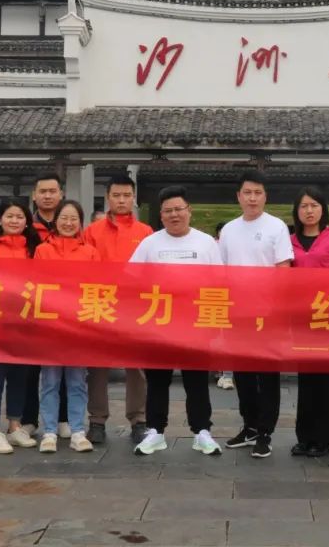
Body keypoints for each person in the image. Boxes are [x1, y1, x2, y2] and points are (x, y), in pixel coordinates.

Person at [131, 185, 223, 458]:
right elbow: (130, 278)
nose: (174, 215)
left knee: (197, 381)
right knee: (157, 380)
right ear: (161, 215)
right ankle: (155, 431)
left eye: (178, 209)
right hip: (158, 324)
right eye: (168, 211)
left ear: (189, 211)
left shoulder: (206, 243)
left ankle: (202, 431)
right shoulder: (150, 243)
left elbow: (219, 282)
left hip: (196, 324)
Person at [218, 170, 293, 459]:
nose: (252, 198)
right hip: (238, 313)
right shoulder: (229, 230)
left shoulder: (276, 227)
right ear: (239, 196)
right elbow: (222, 271)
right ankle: (249, 426)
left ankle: (265, 432)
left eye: (257, 193)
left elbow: (283, 269)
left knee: (267, 374)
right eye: (247, 193)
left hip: (267, 313)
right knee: (243, 374)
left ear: (265, 196)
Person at [81, 174, 151, 445]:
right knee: (97, 367)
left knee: (137, 367)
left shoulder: (145, 232)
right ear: (107, 198)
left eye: (127, 195)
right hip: (101, 304)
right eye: (116, 195)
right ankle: (97, 420)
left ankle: (139, 420)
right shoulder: (92, 232)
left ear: (134, 198)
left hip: (134, 307)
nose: (122, 200)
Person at [0, 198, 43, 454]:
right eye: (10, 216)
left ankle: (15, 425)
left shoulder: (35, 251)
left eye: (19, 217)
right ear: (0, 220)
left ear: (27, 222)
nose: (14, 220)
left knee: (19, 378)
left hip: (24, 324)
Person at [289, 186, 329, 458]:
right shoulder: (290, 240)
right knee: (305, 379)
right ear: (297, 211)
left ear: (322, 209)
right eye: (304, 206)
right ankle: (305, 437)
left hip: (328, 318)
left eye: (314, 205)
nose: (309, 211)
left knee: (326, 379)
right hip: (301, 318)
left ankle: (324, 438)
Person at [35, 200, 97, 454]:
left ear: (81, 222)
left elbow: (97, 287)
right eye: (64, 218)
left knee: (77, 381)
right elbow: (37, 284)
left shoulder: (90, 252)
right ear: (56, 220)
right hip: (50, 326)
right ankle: (49, 431)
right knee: (50, 380)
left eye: (74, 218)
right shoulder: (42, 250)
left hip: (79, 326)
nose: (68, 223)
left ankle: (77, 431)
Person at [25, 173, 66, 436]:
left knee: (63, 364)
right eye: (43, 191)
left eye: (53, 191)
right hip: (29, 305)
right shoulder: (24, 226)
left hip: (64, 309)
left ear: (61, 194)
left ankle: (63, 419)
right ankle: (28, 420)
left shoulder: (70, 226)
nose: (48, 196)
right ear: (34, 195)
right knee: (29, 368)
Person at [212, 221, 234, 392]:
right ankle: (223, 372)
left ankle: (227, 373)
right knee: (220, 337)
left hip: (234, 296)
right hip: (218, 296)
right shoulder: (212, 245)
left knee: (230, 337)